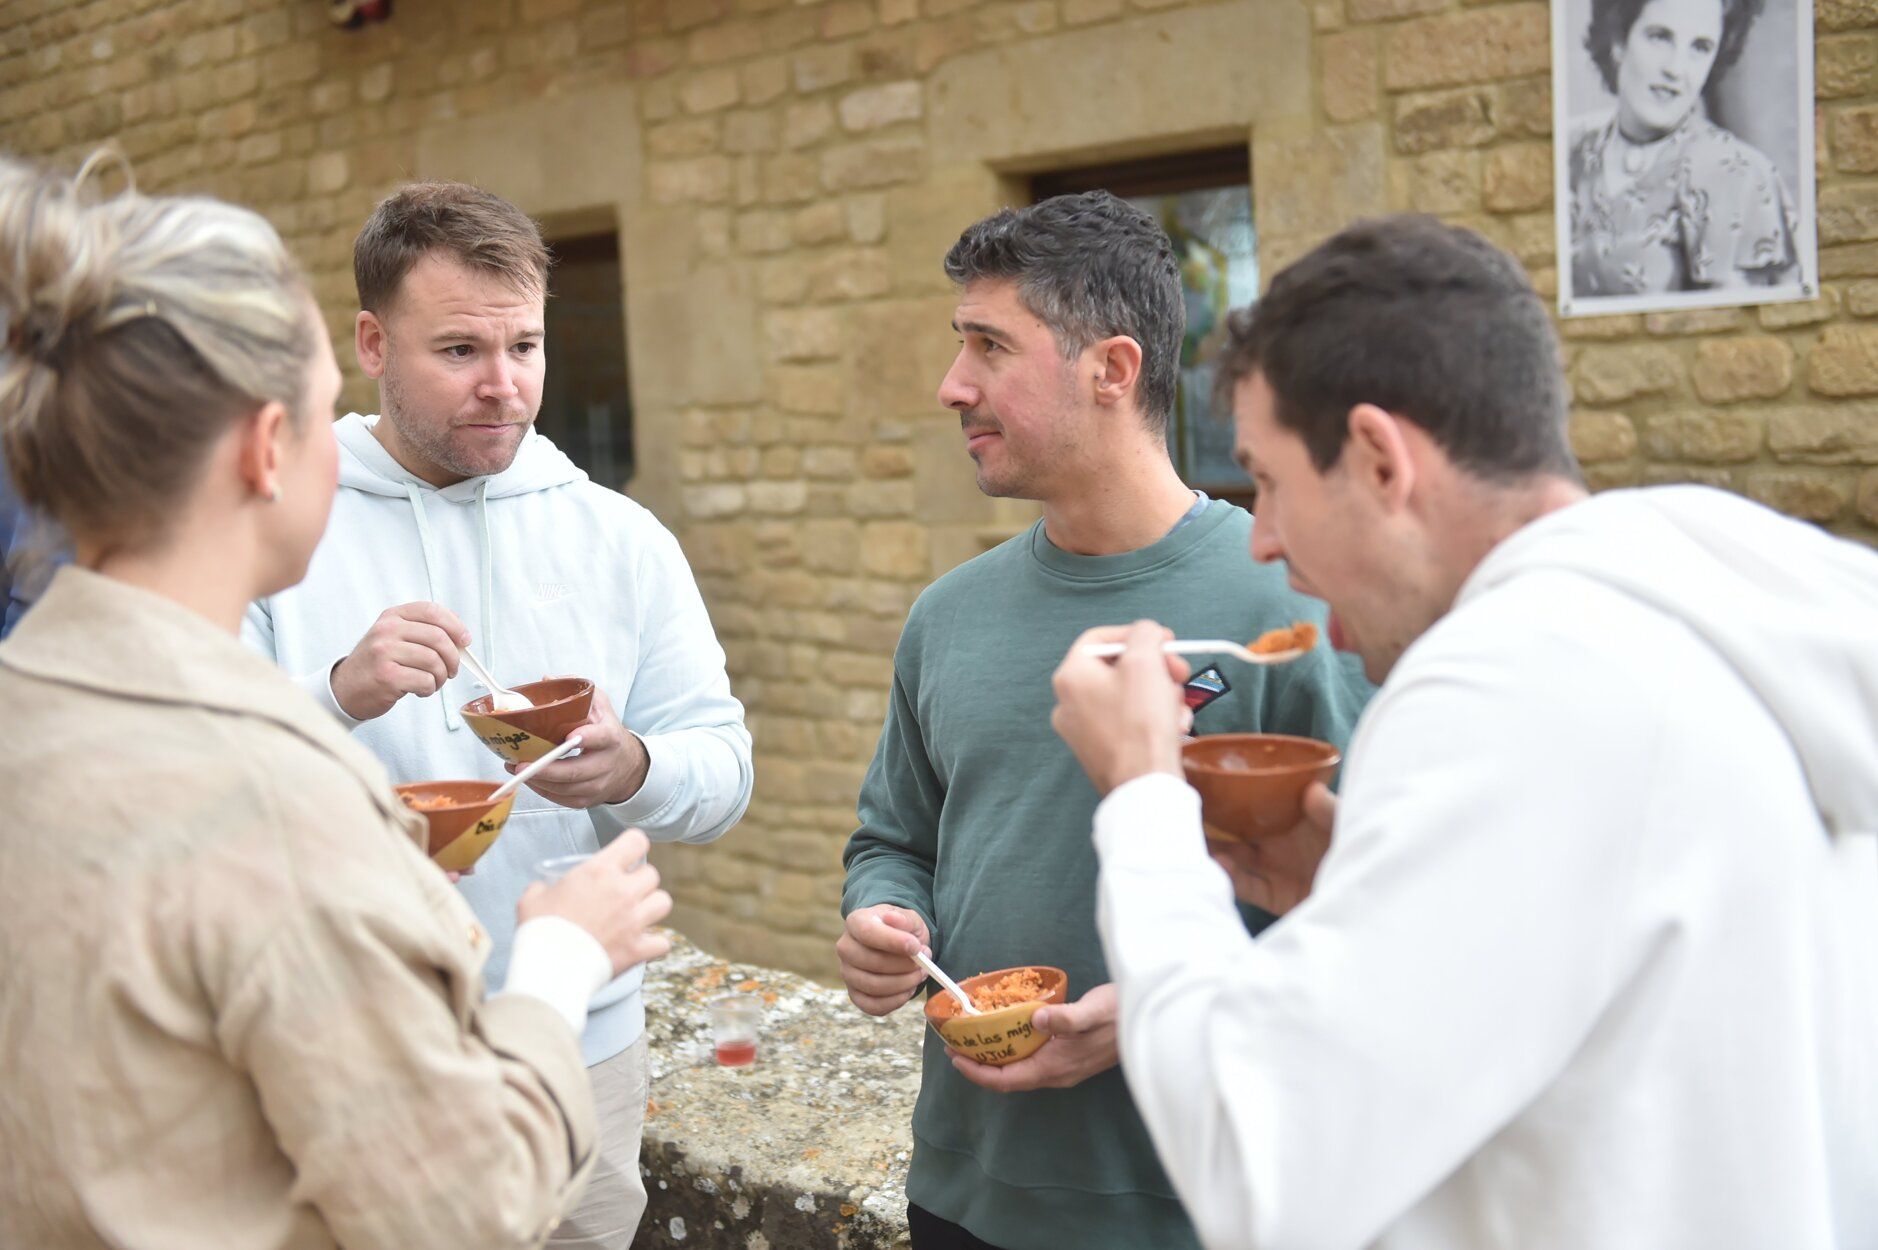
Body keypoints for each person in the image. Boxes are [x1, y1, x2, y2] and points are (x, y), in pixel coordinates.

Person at [1051, 215, 1878, 1248]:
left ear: (1379, 459)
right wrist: (1362, 882)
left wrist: (1144, 797)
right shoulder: (1690, 627)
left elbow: (1260, 1161)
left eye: (1268, 481)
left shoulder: (1520, 677)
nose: (1262, 539)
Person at [0, 156, 676, 1248]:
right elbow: (461, 1202)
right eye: (325, 413)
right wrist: (564, 953)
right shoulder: (273, 792)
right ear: (265, 450)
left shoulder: (33, 701)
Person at [837, 191, 1374, 1250]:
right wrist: (881, 918)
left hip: (1198, 1207)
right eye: (960, 344)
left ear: (1113, 370)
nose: (953, 385)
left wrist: (1156, 1008)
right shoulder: (947, 615)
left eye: (990, 346)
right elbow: (892, 840)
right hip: (963, 1190)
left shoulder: (1291, 614)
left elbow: (1386, 912)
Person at [242, 181, 753, 1249]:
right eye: (460, 350)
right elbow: (196, 772)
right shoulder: (274, 521)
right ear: (373, 344)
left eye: (524, 346)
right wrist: (339, 693)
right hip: (339, 1046)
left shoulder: (621, 538)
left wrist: (634, 766)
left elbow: (723, 770)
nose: (504, 384)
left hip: (583, 1048)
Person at [1568, 0, 1799, 296]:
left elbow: (1736, 318)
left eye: (1700, 47)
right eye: (1660, 37)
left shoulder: (1736, 172)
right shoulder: (1572, 150)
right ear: (1618, 41)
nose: (1676, 69)